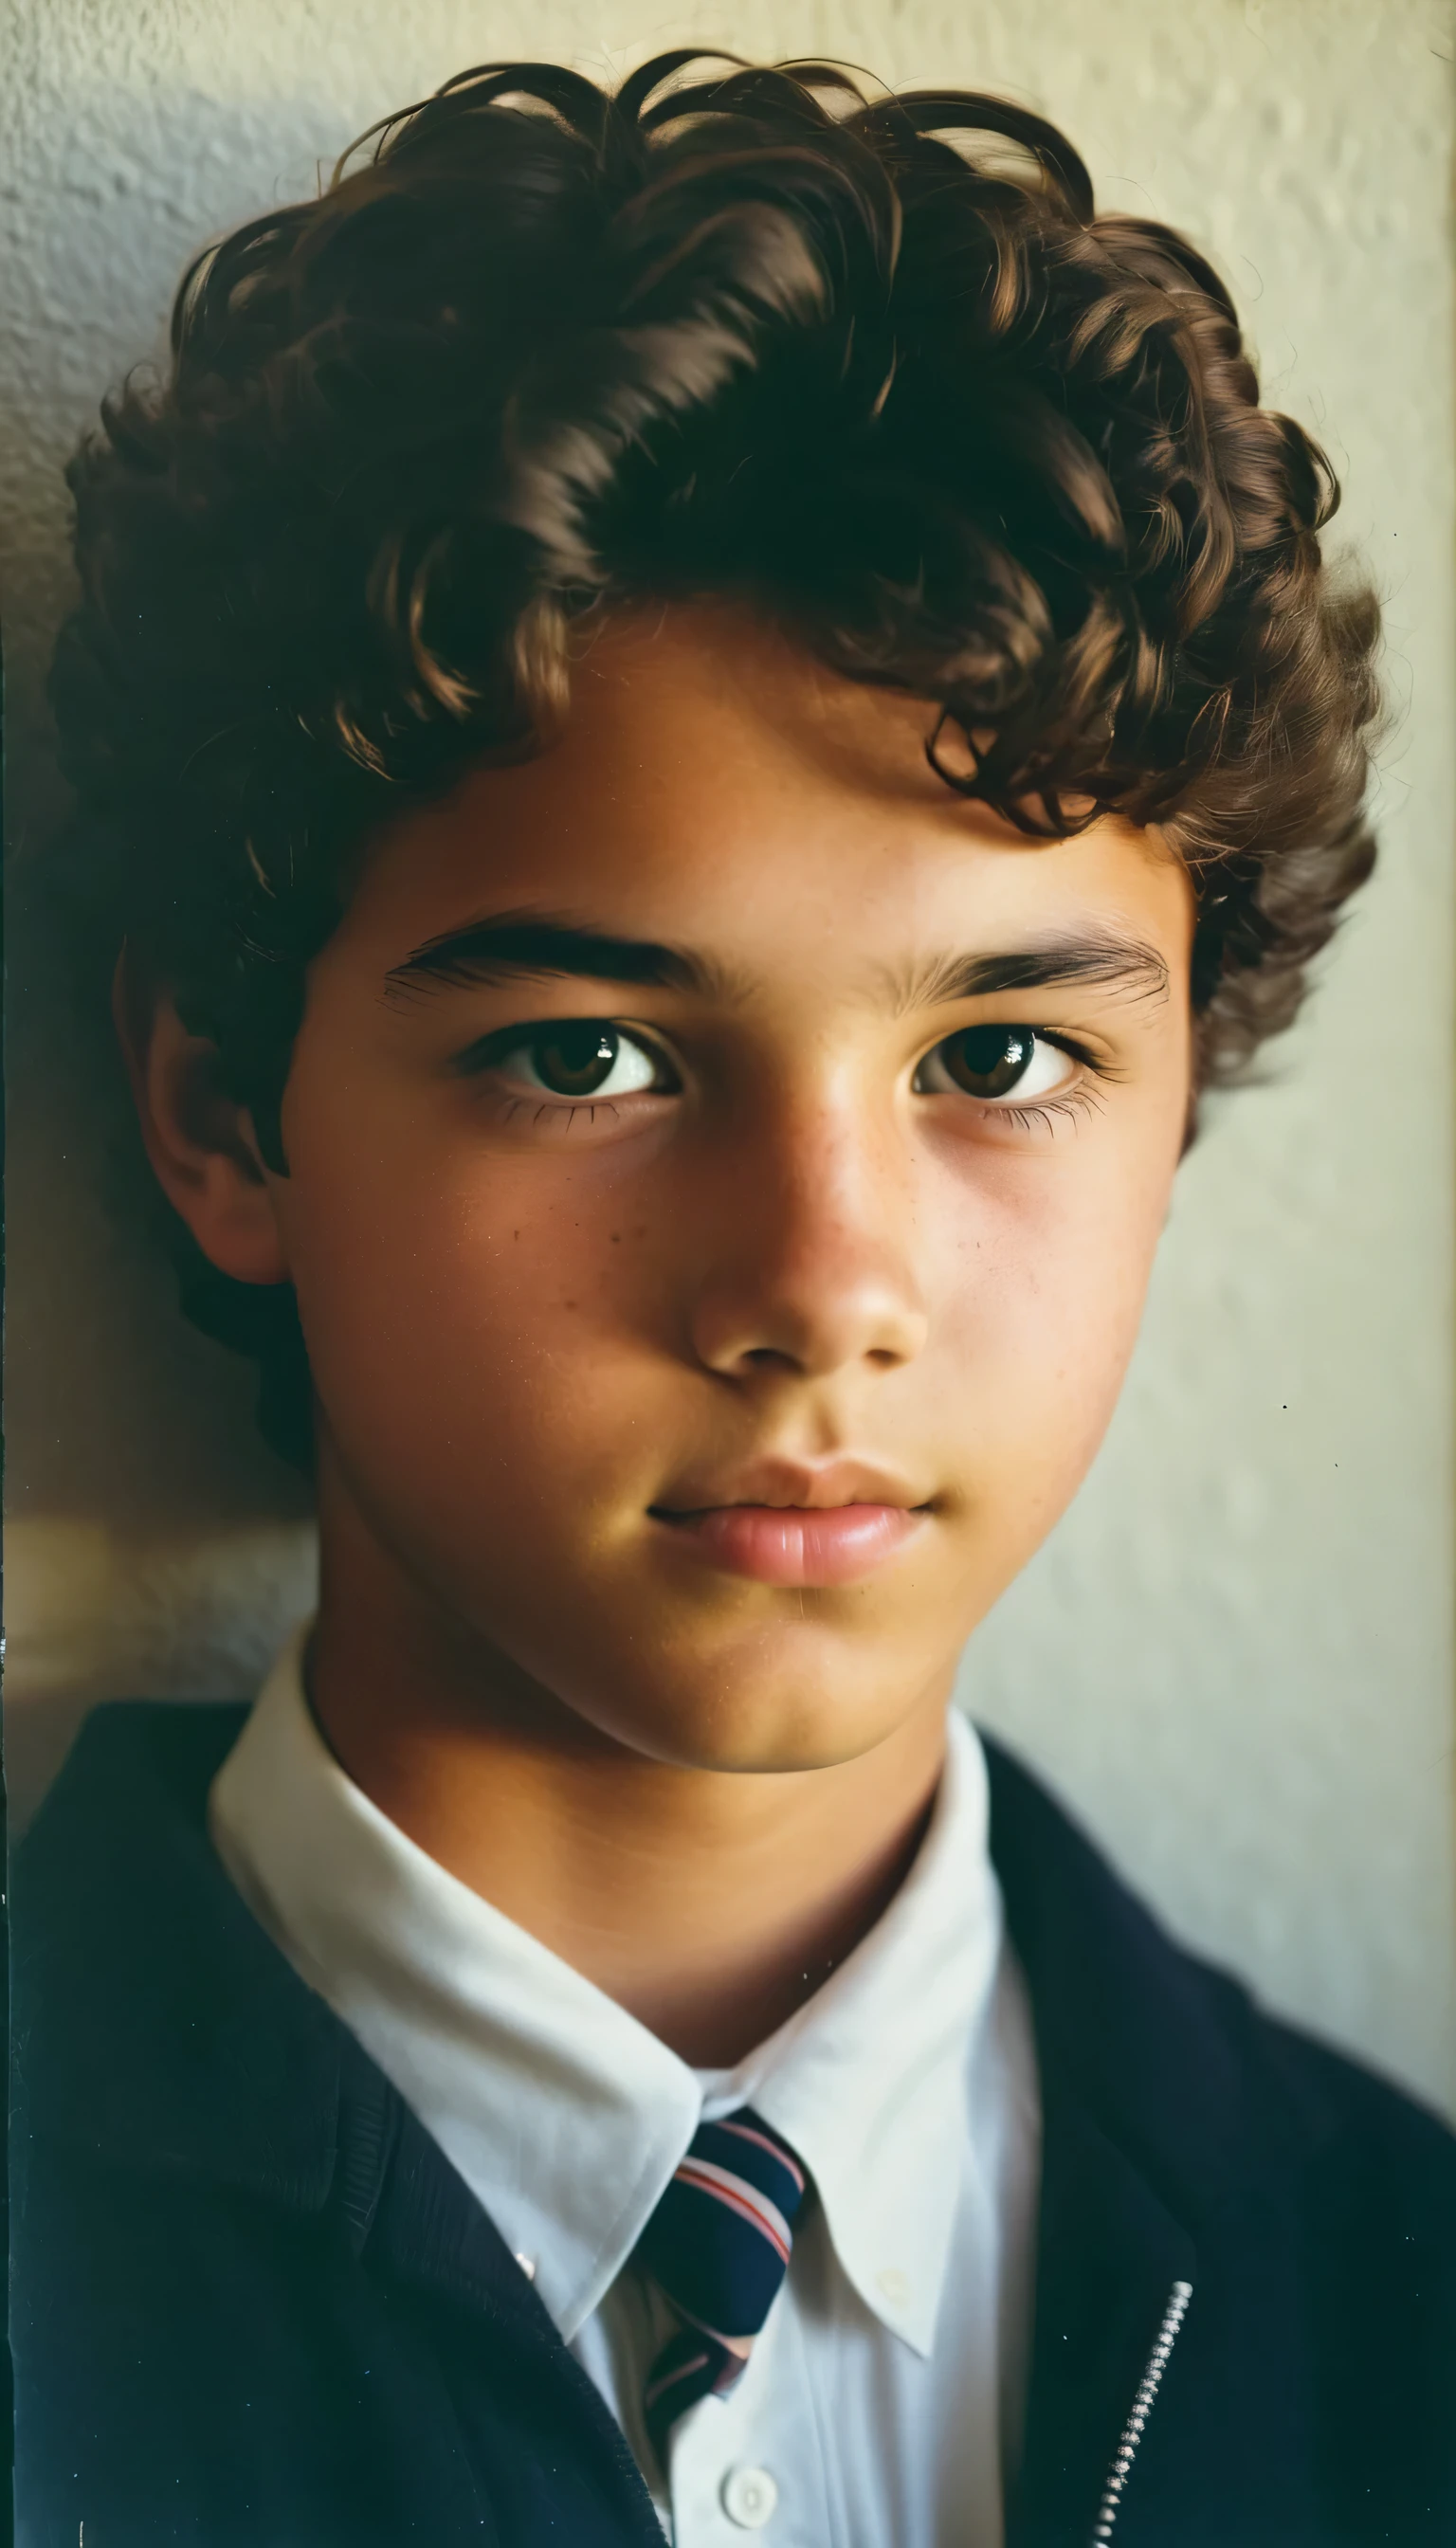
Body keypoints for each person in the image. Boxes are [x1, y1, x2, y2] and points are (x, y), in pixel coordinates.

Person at [11, 49, 1454, 2548]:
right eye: (585, 1054)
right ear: (223, 1117)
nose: (823, 1289)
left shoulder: (1406, 2294)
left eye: (1000, 1053)